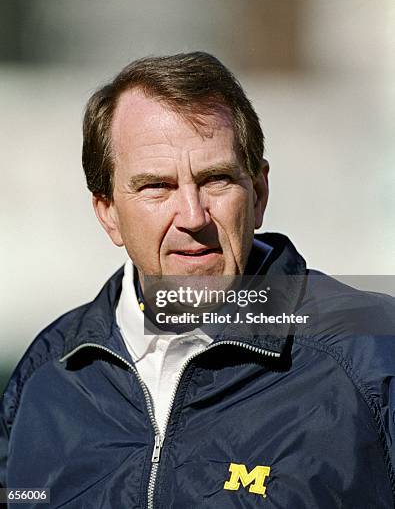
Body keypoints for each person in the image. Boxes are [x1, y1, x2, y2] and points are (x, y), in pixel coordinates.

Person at [0, 52, 394, 508]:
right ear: (108, 213)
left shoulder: (372, 352)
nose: (192, 216)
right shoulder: (48, 377)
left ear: (259, 193)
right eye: (156, 187)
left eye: (215, 180)